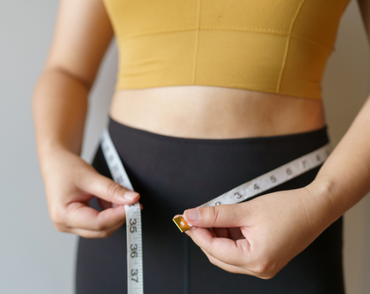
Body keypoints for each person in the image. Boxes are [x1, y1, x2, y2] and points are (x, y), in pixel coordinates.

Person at [32, 0, 370, 293]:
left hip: (293, 225)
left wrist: (319, 201)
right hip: (123, 225)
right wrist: (54, 153)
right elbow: (66, 70)